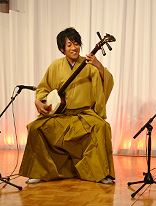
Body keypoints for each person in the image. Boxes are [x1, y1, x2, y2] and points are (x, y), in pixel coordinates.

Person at [19, 27, 115, 184]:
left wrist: (98, 65)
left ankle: (100, 173)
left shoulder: (89, 64)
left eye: (76, 44)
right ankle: (40, 172)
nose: (74, 48)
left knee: (101, 126)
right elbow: (43, 88)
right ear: (62, 49)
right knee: (36, 128)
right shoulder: (55, 66)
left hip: (82, 115)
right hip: (60, 114)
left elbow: (107, 81)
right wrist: (38, 101)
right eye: (69, 44)